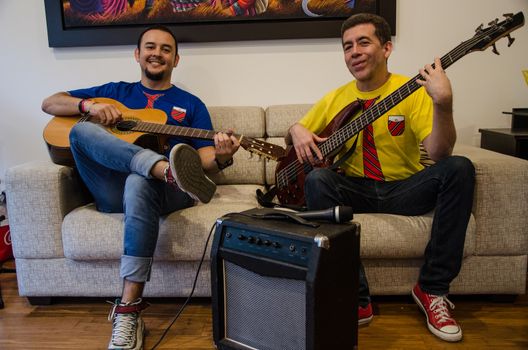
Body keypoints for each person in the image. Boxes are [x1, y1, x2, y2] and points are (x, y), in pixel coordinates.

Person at [41, 25, 240, 350]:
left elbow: (205, 159)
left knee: (139, 179)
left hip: (162, 193)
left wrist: (221, 158)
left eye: (165, 49)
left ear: (176, 59)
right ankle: (160, 168)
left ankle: (129, 310)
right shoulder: (114, 91)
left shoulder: (190, 104)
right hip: (109, 187)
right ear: (137, 54)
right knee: (80, 132)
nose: (157, 53)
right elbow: (50, 102)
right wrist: (87, 108)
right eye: (150, 47)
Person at [285, 13, 475, 342]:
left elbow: (440, 153)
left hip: (404, 189)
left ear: (386, 48)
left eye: (363, 42)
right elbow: (294, 138)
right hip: (354, 190)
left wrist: (443, 103)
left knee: (459, 167)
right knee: (318, 181)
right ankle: (355, 297)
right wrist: (296, 129)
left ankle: (431, 289)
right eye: (347, 46)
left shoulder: (411, 90)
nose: (354, 52)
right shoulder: (336, 98)